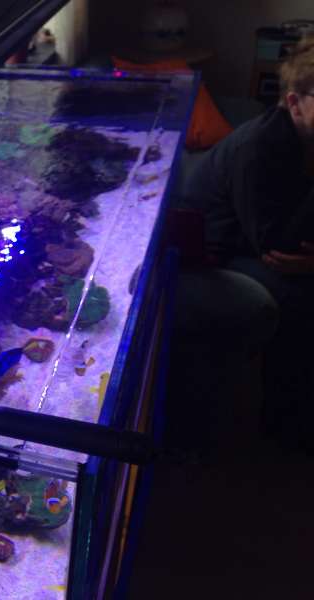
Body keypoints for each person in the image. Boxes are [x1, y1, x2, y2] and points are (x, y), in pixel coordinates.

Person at [183, 34, 314, 451]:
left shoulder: (304, 138)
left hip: (249, 238)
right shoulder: (260, 148)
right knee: (300, 300)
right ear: (295, 103)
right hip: (211, 255)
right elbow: (277, 249)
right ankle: (286, 426)